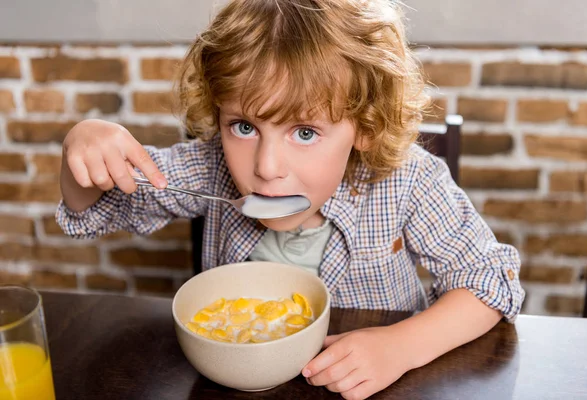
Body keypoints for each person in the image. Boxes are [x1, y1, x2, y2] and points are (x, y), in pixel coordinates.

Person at [56, 1, 525, 398]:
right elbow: (97, 207)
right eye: (244, 127)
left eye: (304, 132)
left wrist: (400, 346)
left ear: (364, 125)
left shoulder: (407, 182)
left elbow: (491, 280)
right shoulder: (211, 166)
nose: (266, 166)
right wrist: (84, 147)